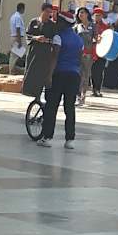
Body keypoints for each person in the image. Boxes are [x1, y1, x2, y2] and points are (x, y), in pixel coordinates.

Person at [38, 9, 84, 149]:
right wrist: (81, 81)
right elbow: (80, 61)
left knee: (52, 106)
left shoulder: (58, 37)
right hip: (74, 76)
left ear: (63, 23)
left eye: (58, 21)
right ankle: (70, 139)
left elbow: (55, 57)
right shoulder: (79, 39)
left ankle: (47, 137)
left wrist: (48, 76)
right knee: (69, 108)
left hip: (59, 74)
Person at [22, 2, 56, 100]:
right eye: (47, 11)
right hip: (33, 52)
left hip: (45, 54)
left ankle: (38, 95)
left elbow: (54, 40)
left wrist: (46, 40)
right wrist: (36, 38)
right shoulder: (34, 22)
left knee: (41, 74)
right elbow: (28, 35)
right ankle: (28, 91)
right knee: (31, 71)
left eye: (50, 12)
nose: (48, 14)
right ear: (42, 11)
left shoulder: (52, 25)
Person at [75, 7, 94, 105]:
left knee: (86, 75)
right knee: (78, 74)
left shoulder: (93, 26)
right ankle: (77, 95)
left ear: (87, 14)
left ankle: (83, 95)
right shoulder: (76, 27)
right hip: (78, 54)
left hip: (88, 54)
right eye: (79, 13)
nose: (80, 15)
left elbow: (96, 38)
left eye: (82, 12)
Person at [91, 7, 109, 97]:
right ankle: (93, 89)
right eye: (96, 15)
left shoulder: (105, 27)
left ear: (102, 16)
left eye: (99, 15)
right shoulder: (90, 26)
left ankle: (97, 89)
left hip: (102, 52)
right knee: (92, 72)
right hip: (92, 51)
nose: (97, 17)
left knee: (99, 72)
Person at [9, 3, 26, 74]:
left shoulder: (13, 16)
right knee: (15, 56)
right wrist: (19, 42)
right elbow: (18, 29)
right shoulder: (18, 17)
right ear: (22, 9)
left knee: (15, 55)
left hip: (14, 37)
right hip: (17, 37)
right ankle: (12, 71)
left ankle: (12, 70)